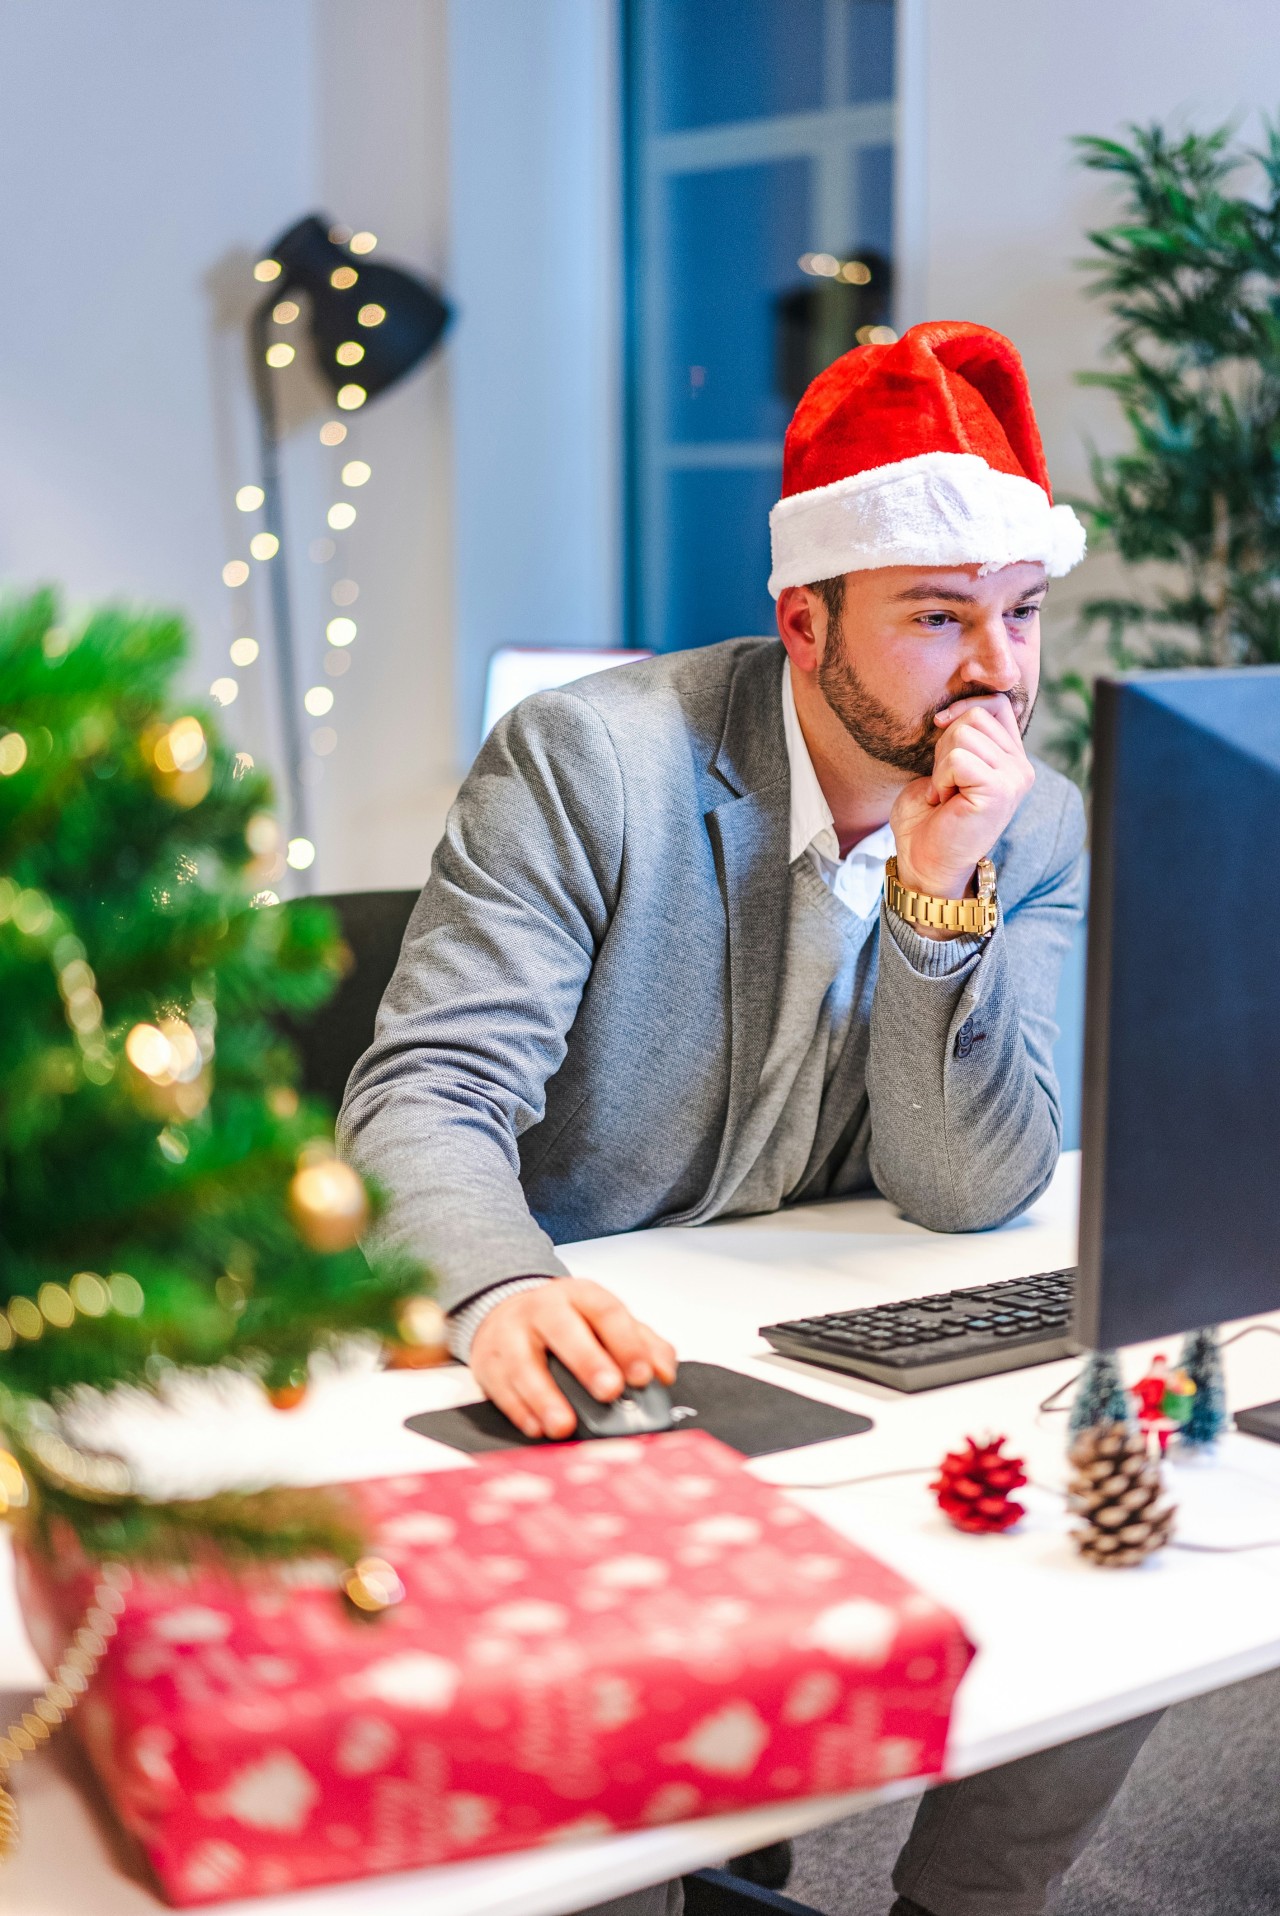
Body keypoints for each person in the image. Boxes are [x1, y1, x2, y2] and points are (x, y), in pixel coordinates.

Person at [340, 322, 1158, 1916]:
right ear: (804, 618)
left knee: (1110, 1527)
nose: (998, 672)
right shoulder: (591, 761)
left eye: (1022, 615)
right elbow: (427, 1090)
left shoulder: (1029, 821)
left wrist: (937, 899)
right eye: (939, 618)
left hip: (833, 1329)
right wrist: (505, 1288)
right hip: (605, 1345)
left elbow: (970, 1182)